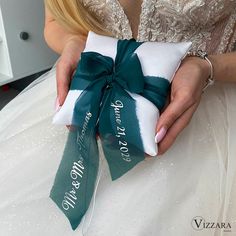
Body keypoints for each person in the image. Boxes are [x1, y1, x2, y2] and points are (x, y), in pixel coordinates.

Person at [0, 0, 235, 235]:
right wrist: (74, 41)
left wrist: (208, 67)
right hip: (92, 91)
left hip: (212, 113)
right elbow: (53, 22)